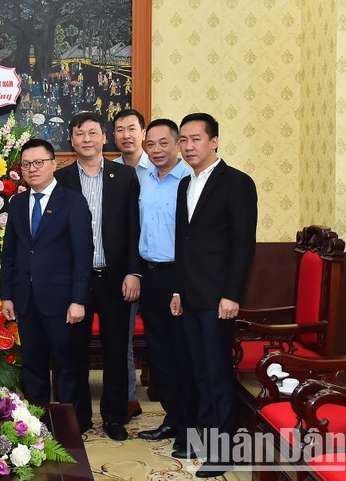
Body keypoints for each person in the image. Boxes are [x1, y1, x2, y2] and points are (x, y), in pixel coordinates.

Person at [175, 113, 257, 478]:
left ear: (214, 141)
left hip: (218, 298)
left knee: (218, 373)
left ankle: (224, 452)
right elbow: (184, 243)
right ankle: (202, 439)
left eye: (195, 139)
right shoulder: (184, 184)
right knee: (196, 372)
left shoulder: (237, 183)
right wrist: (177, 288)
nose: (188, 146)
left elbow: (243, 245)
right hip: (190, 294)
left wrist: (231, 295)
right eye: (184, 140)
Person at [55, 111, 141, 441]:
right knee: (73, 351)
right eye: (80, 134)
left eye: (93, 133)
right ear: (72, 140)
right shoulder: (61, 180)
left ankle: (115, 415)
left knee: (116, 349)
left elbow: (135, 228)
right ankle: (79, 417)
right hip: (77, 280)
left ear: (104, 137)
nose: (87, 139)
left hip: (116, 278)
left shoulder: (125, 176)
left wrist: (134, 272)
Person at [0, 139, 93, 430]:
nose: (32, 169)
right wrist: (7, 296)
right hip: (26, 300)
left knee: (67, 367)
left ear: (54, 164)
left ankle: (69, 426)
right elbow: (11, 253)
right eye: (26, 164)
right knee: (33, 367)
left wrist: (79, 300)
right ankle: (36, 425)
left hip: (63, 302)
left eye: (39, 162)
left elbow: (83, 254)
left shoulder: (73, 202)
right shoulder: (17, 203)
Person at [132, 120, 198, 454]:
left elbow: (194, 239)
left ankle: (190, 428)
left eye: (164, 143)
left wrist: (180, 286)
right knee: (160, 355)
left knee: (183, 353)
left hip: (180, 276)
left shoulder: (190, 181)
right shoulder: (141, 178)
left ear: (177, 144)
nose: (157, 150)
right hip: (151, 275)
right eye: (151, 144)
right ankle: (172, 418)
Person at [112, 108, 154, 422]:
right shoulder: (108, 171)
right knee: (122, 336)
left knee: (164, 335)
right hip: (123, 267)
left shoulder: (160, 169)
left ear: (142, 132)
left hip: (159, 264)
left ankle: (171, 398)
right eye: (119, 130)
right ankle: (128, 398)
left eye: (131, 129)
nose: (126, 135)